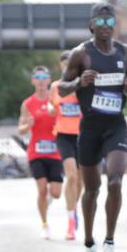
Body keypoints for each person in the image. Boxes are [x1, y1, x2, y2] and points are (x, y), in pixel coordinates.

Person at [57, 2, 127, 252]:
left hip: (115, 125)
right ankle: (89, 245)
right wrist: (79, 83)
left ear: (115, 24)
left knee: (115, 180)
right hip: (90, 128)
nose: (105, 27)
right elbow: (61, 87)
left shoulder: (124, 51)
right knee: (91, 189)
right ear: (91, 25)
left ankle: (110, 243)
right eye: (99, 23)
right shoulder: (81, 54)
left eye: (109, 21)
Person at [18, 65, 63, 240]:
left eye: (44, 77)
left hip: (55, 151)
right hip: (36, 152)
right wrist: (27, 125)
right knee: (42, 189)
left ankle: (48, 202)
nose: (41, 81)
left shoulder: (57, 100)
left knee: (57, 193)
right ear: (33, 81)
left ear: (49, 80)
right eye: (38, 77)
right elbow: (20, 129)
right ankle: (45, 224)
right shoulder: (28, 104)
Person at [52, 50, 83, 240]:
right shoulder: (55, 86)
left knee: (80, 181)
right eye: (64, 64)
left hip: (82, 134)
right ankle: (70, 220)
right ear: (61, 66)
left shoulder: (82, 85)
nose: (67, 67)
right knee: (71, 176)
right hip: (63, 135)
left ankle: (74, 206)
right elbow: (52, 104)